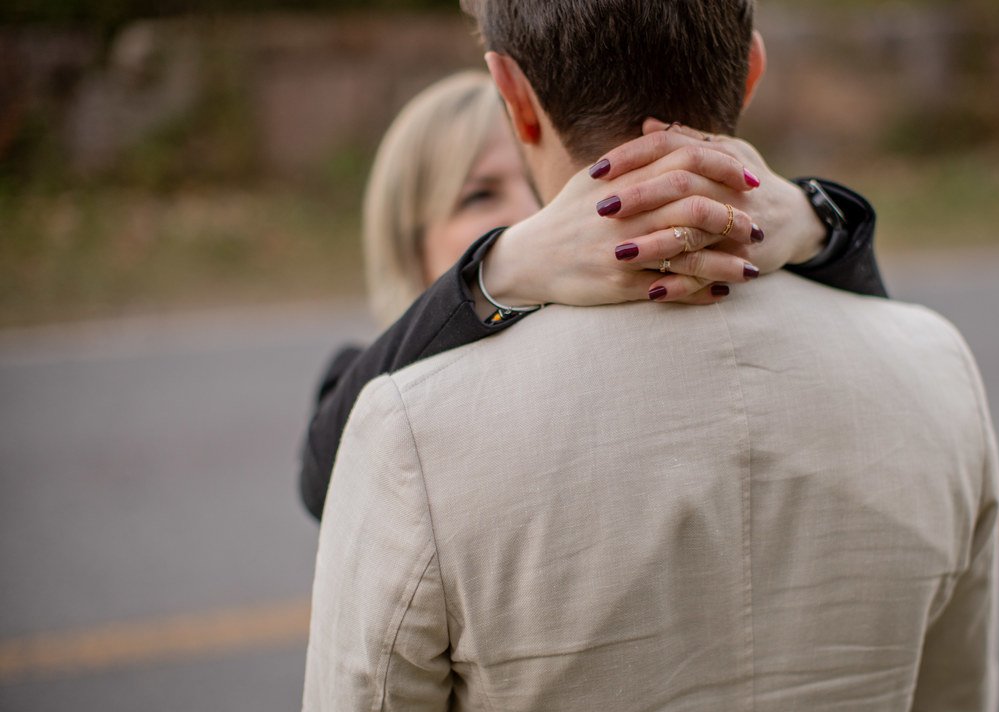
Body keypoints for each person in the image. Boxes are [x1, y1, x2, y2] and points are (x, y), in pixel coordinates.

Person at [284, 2, 999, 712]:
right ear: (753, 70)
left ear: (514, 98)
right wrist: (818, 220)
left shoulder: (414, 431)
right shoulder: (935, 362)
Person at [300, 72, 887, 520]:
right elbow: (326, 477)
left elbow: (884, 355)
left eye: (536, 186)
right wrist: (504, 263)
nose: (534, 214)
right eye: (480, 197)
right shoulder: (367, 378)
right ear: (411, 246)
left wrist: (815, 224)